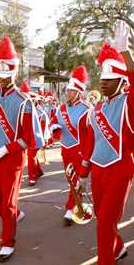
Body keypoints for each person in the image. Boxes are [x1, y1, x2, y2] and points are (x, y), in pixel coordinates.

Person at [79, 21, 134, 264]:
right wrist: (83, 172)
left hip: (120, 171)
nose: (103, 82)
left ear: (121, 81)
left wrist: (125, 52)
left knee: (106, 223)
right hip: (98, 169)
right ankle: (118, 248)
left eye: (110, 79)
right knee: (102, 218)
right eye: (102, 78)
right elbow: (91, 142)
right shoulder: (96, 109)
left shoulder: (131, 103)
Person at [0, 37, 44, 261]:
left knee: (8, 204)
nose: (3, 81)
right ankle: (16, 217)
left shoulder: (24, 100)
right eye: (0, 76)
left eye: (8, 77)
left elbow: (29, 138)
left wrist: (5, 150)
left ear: (15, 74)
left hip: (12, 158)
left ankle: (8, 242)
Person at [49, 66, 91, 225]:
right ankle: (78, 204)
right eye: (67, 90)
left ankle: (70, 208)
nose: (67, 93)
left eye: (71, 91)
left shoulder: (87, 109)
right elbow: (55, 122)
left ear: (79, 93)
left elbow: (91, 133)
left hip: (80, 153)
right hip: (65, 151)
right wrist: (52, 127)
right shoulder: (61, 108)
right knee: (71, 181)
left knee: (77, 182)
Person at [20, 82, 49, 186]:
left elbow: (45, 129)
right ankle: (39, 171)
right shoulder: (24, 110)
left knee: (31, 157)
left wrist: (45, 141)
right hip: (27, 137)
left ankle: (32, 177)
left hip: (37, 139)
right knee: (32, 156)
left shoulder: (42, 113)